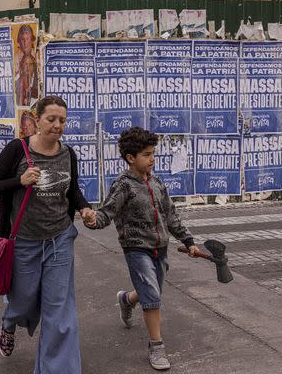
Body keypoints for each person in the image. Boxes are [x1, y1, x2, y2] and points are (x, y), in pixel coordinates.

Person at [0, 95, 95, 374]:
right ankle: (10, 322)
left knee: (59, 313)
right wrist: (19, 181)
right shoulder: (17, 150)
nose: (57, 125)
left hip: (59, 240)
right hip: (24, 242)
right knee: (22, 303)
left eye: (62, 120)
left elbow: (72, 190)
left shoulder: (67, 153)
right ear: (36, 120)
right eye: (51, 119)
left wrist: (83, 208)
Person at [83, 127, 198, 371]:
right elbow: (107, 211)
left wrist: (188, 241)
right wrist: (94, 220)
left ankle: (127, 299)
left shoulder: (156, 182)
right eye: (147, 155)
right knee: (152, 295)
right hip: (136, 249)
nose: (152, 159)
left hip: (161, 247)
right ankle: (156, 346)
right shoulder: (123, 185)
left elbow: (170, 215)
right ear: (130, 158)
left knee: (150, 291)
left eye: (153, 153)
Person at [14, 24, 39, 106]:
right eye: (22, 39)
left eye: (27, 39)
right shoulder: (15, 58)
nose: (25, 42)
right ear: (19, 41)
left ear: (32, 40)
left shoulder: (38, 56)